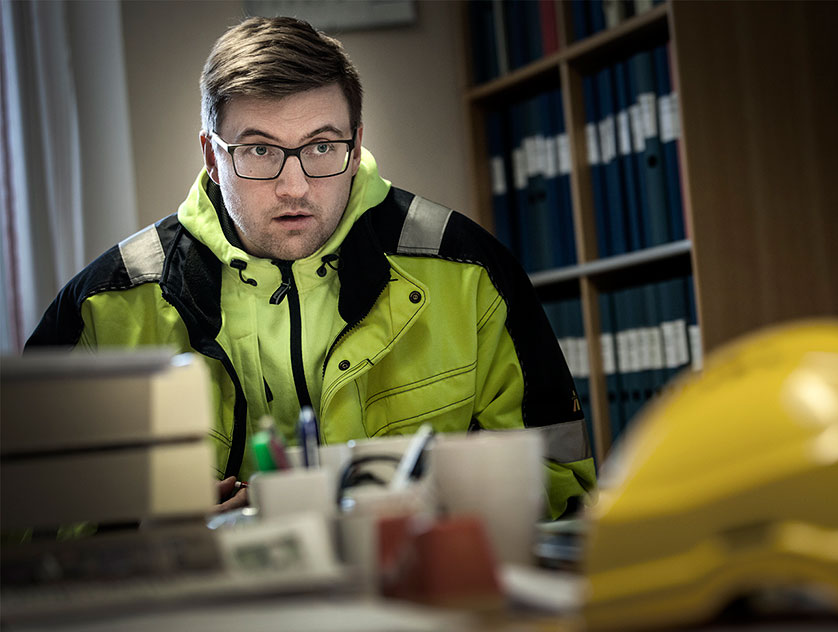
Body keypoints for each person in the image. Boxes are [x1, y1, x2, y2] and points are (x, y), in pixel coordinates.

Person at [25, 16, 596, 519]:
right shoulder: (105, 303)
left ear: (356, 144)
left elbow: (560, 481)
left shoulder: (469, 270)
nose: (294, 186)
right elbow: (25, 517)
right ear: (212, 156)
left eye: (322, 147)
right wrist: (143, 532)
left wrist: (410, 516)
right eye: (259, 150)